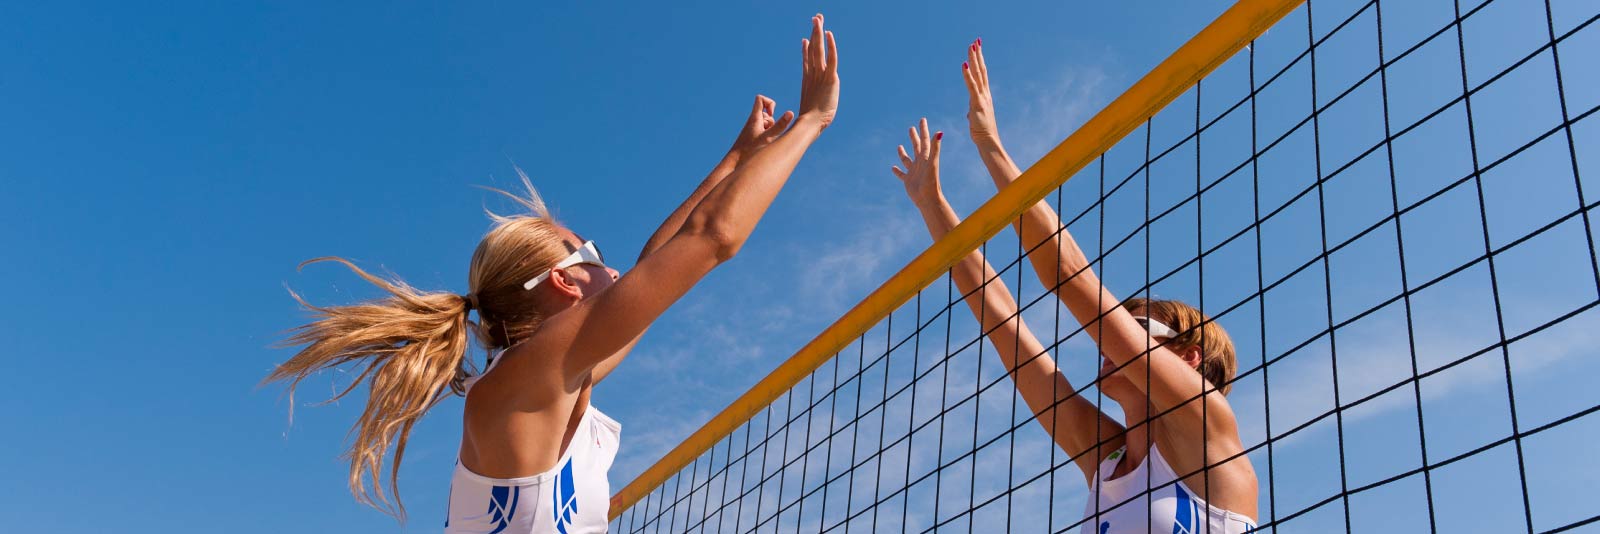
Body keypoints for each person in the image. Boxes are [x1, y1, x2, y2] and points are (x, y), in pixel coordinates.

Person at [265, 14, 841, 533]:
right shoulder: (529, 374)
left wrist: (738, 159)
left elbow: (657, 261)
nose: (607, 262)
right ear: (563, 282)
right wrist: (811, 120)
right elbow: (711, 239)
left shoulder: (555, 376)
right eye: (586, 249)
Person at [884, 40, 1257, 534]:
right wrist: (932, 204)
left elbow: (1071, 280)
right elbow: (1004, 327)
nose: (1112, 336)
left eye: (1135, 326)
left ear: (1187, 358)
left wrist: (990, 145)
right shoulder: (1107, 457)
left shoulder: (1207, 426)